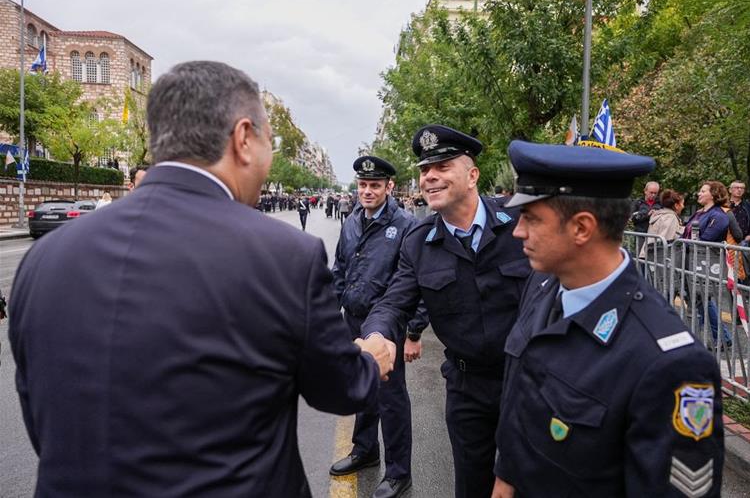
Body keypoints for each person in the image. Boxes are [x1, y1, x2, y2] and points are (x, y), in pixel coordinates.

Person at [8, 61, 394, 498]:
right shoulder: (284, 255)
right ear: (243, 138)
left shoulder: (45, 257)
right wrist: (371, 360)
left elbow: (43, 418)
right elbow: (340, 390)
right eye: (270, 142)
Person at [493, 141, 724, 497]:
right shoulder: (544, 286)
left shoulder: (671, 364)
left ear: (582, 228)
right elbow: (520, 412)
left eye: (531, 218)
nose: (518, 231)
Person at [362, 125, 531, 498]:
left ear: (472, 176)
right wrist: (376, 336)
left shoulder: (519, 223)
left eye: (442, 165)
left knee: (532, 483)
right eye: (424, 170)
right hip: (467, 389)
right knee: (473, 487)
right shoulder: (419, 242)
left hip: (527, 382)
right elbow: (393, 302)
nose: (430, 177)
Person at [330, 156, 429, 498]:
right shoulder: (352, 219)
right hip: (353, 319)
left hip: (388, 326)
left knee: (391, 398)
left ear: (389, 187)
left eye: (374, 185)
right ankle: (365, 450)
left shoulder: (405, 225)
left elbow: (420, 282)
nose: (367, 191)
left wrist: (414, 331)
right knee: (362, 389)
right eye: (362, 185)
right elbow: (340, 270)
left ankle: (399, 471)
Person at [682, 181, 739, 347]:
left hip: (704, 262)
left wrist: (687, 243)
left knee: (701, 298)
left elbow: (707, 238)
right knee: (698, 300)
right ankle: (717, 337)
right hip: (690, 260)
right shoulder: (699, 213)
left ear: (713, 194)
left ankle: (717, 338)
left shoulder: (719, 215)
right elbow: (687, 234)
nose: (699, 194)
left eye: (702, 191)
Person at [638, 188, 685, 258]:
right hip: (657, 259)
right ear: (676, 205)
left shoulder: (660, 214)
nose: (683, 206)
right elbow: (666, 239)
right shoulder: (670, 218)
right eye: (682, 204)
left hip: (647, 255)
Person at [729, 180, 750, 247]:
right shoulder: (724, 205)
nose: (739, 190)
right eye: (736, 187)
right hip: (725, 243)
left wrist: (746, 240)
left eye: (742, 188)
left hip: (743, 243)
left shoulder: (749, 207)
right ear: (730, 190)